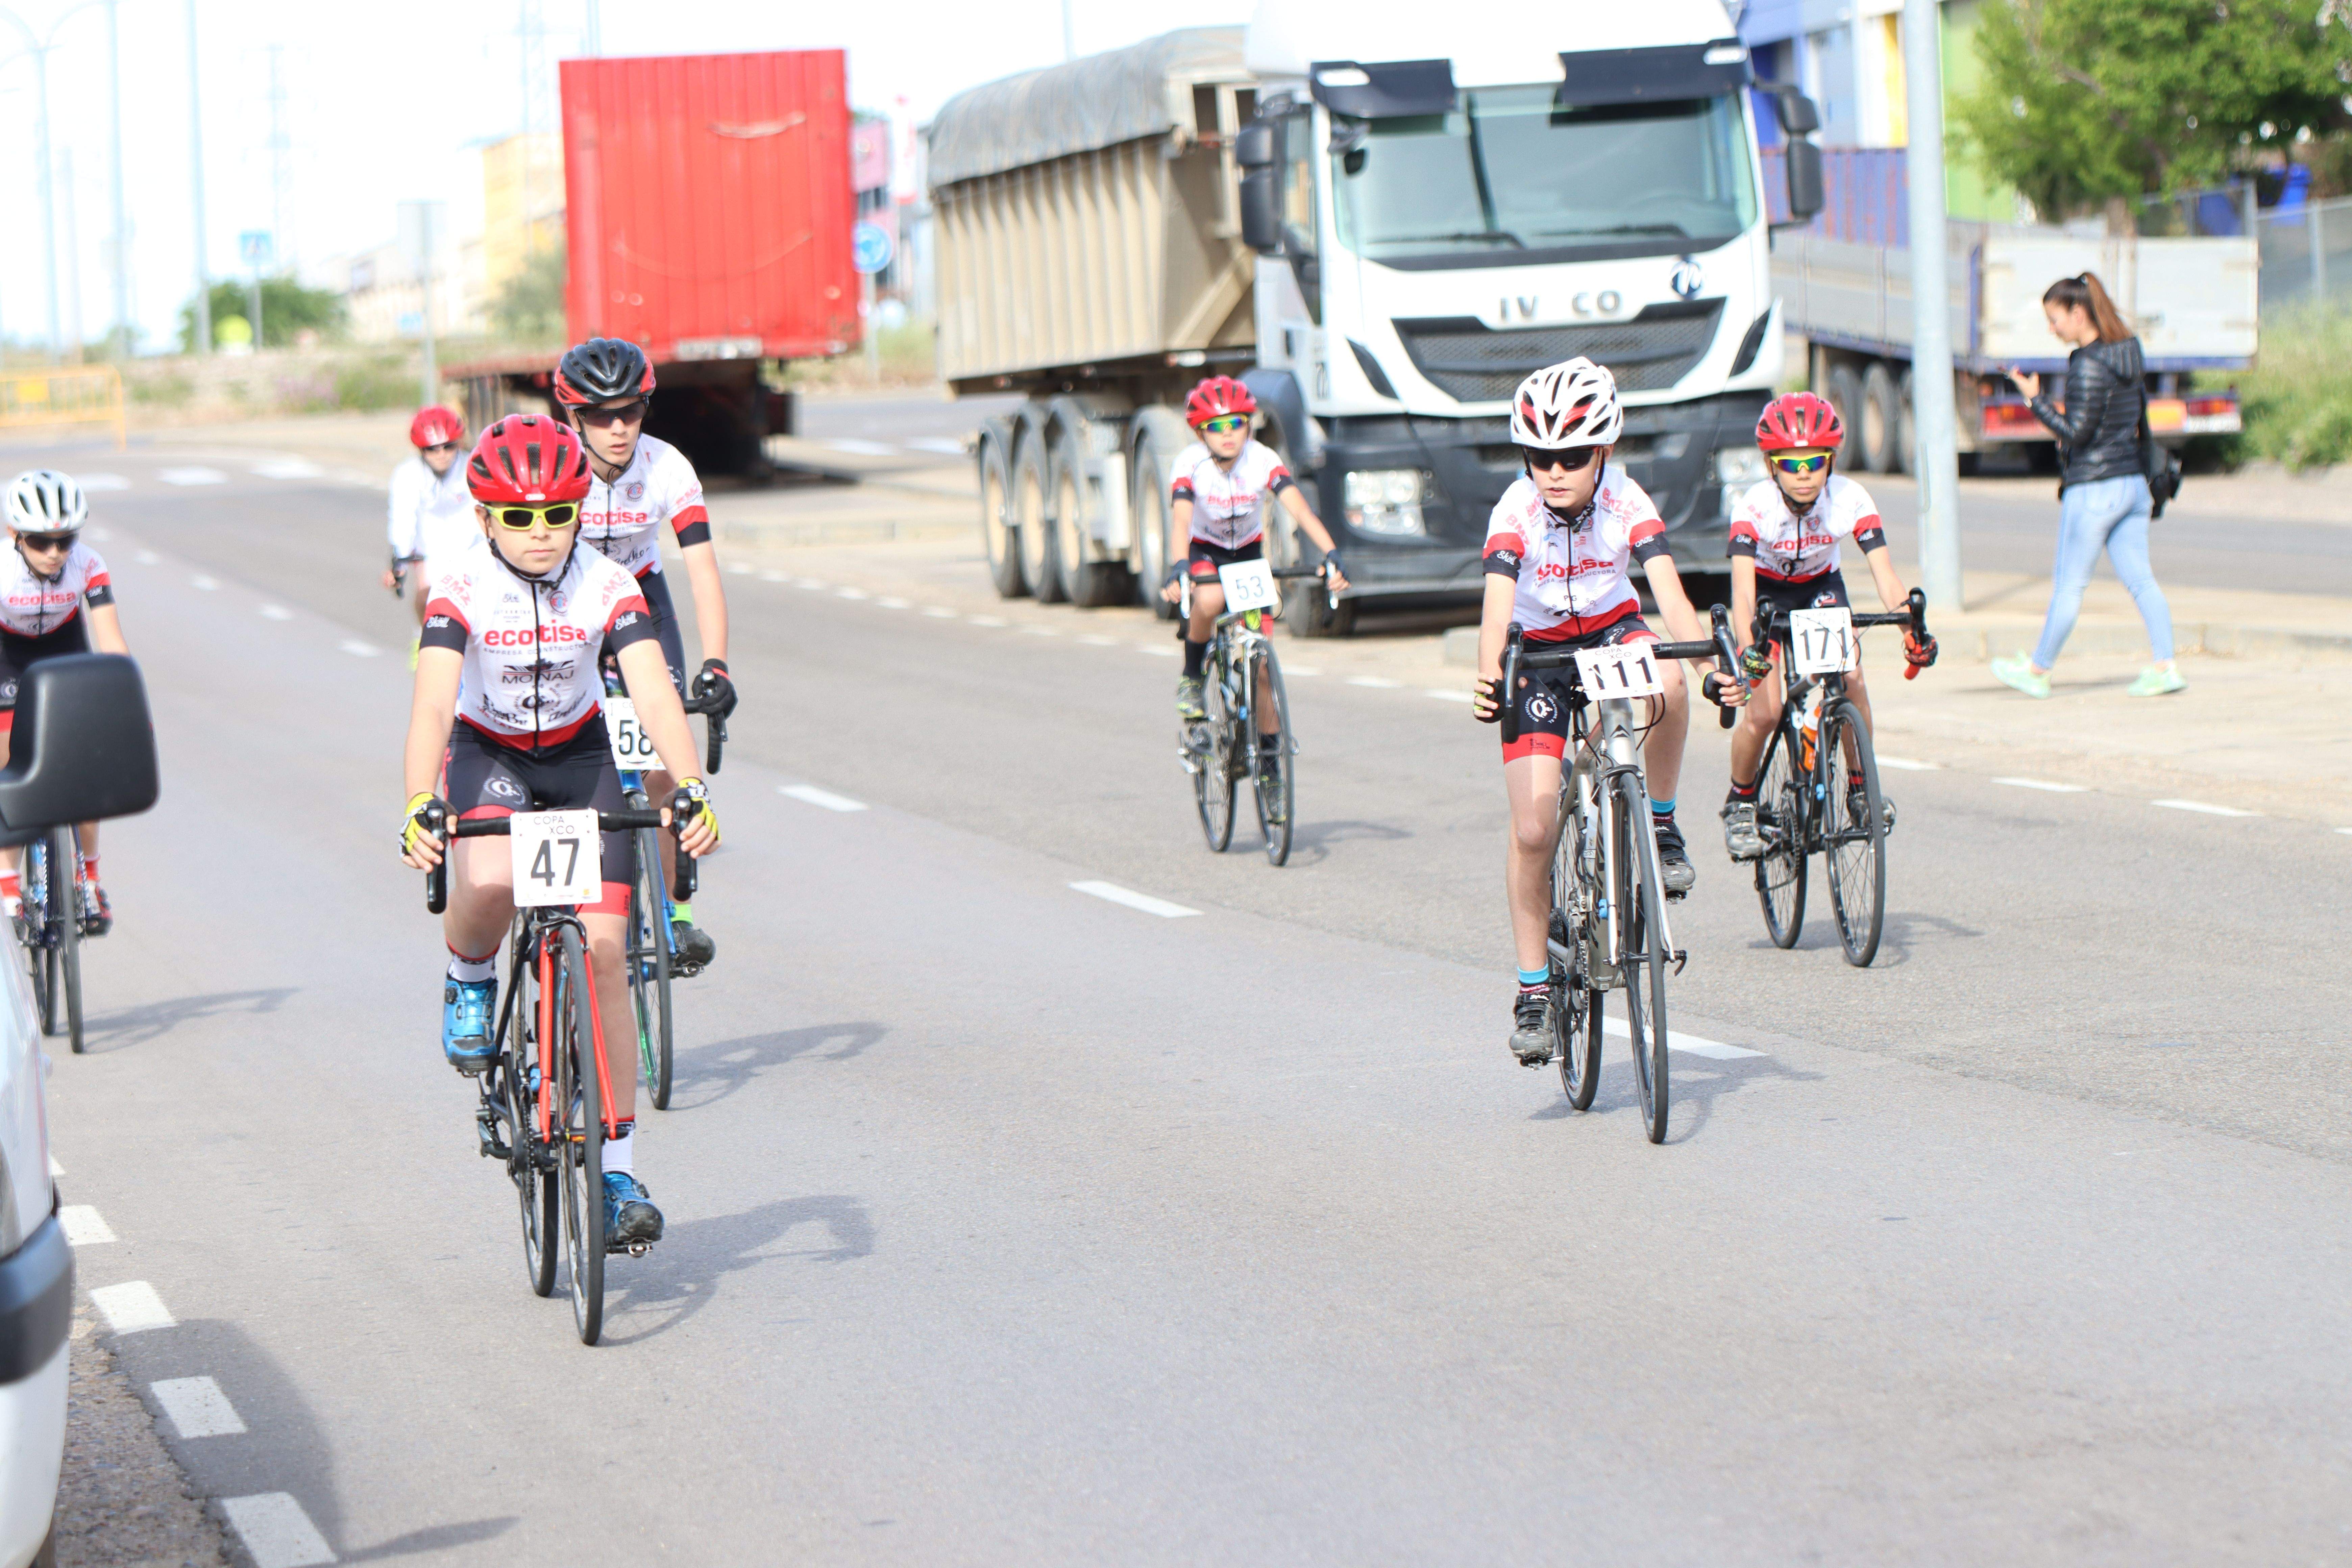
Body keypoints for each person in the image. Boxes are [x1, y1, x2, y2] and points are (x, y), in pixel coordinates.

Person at [397, 415, 720, 1248]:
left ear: (580, 510)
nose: (540, 534)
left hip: (580, 756)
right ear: (483, 518)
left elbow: (651, 692)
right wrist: (417, 800)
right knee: (495, 878)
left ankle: (614, 1168)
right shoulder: (460, 588)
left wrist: (687, 787)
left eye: (557, 515)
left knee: (607, 953)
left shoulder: (607, 582)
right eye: (518, 516)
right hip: (489, 750)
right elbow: (433, 701)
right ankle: (469, 971)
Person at [1466, 359, 1735, 1065]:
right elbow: (1496, 608)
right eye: (1540, 456)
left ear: (1604, 453)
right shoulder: (1515, 511)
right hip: (1542, 654)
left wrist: (1712, 666)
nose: (1554, 471)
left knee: (1671, 683)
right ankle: (1532, 987)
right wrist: (1490, 670)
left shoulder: (1628, 502)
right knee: (1533, 827)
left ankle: (1663, 825)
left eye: (1573, 456)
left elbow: (1670, 596)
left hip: (1615, 631)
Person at [552, 338, 736, 970]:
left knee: (666, 763)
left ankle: (676, 915)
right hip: (572, 608)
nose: (618, 428)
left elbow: (703, 570)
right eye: (601, 415)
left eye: (630, 411)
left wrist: (717, 663)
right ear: (573, 417)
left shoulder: (667, 468)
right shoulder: (558, 467)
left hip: (642, 601)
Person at [1720, 393, 1937, 859]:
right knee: (1765, 711)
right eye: (1790, 464)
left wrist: (1911, 633)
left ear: (1831, 462)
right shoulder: (1753, 508)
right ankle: (1740, 803)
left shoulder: (1850, 498)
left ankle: (1861, 792)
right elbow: (1741, 594)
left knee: (1853, 678)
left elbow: (1886, 575)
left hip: (1820, 589)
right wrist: (1747, 651)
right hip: (1766, 599)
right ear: (1770, 465)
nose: (1804, 474)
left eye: (1815, 462)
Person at [1993, 272, 2183, 699]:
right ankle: (2165, 665)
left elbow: (2076, 433)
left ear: (2078, 314)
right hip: (2133, 483)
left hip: (2094, 489)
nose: (2052, 329)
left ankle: (2038, 670)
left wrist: (2033, 399)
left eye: (2055, 319)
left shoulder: (2086, 363)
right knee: (2142, 581)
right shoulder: (2129, 352)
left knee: (2070, 586)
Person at [1160, 377, 1350, 791]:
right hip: (1204, 552)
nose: (1228, 435)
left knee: (1261, 666)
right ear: (1200, 432)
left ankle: (1269, 760)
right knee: (1208, 598)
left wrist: (1331, 553)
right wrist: (1179, 567)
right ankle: (1193, 675)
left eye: (1237, 424)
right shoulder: (1190, 464)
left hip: (1247, 556)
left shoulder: (1262, 459)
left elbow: (1299, 508)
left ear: (1250, 426)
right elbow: (1180, 520)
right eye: (1217, 426)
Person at [0, 470, 129, 934]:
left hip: (64, 646)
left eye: (65, 540)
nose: (55, 553)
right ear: (15, 535)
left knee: (84, 770)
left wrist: (125, 704)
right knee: (9, 761)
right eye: (41, 542)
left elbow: (112, 643)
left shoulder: (88, 564)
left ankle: (89, 879)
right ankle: (9, 883)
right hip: (7, 656)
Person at [383, 405, 476, 664]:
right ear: (421, 450)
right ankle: (422, 635)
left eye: (448, 447)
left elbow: (483, 510)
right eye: (432, 449)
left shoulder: (473, 466)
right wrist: (400, 558)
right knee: (427, 592)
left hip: (468, 538)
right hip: (429, 541)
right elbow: (402, 517)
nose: (442, 455)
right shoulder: (407, 474)